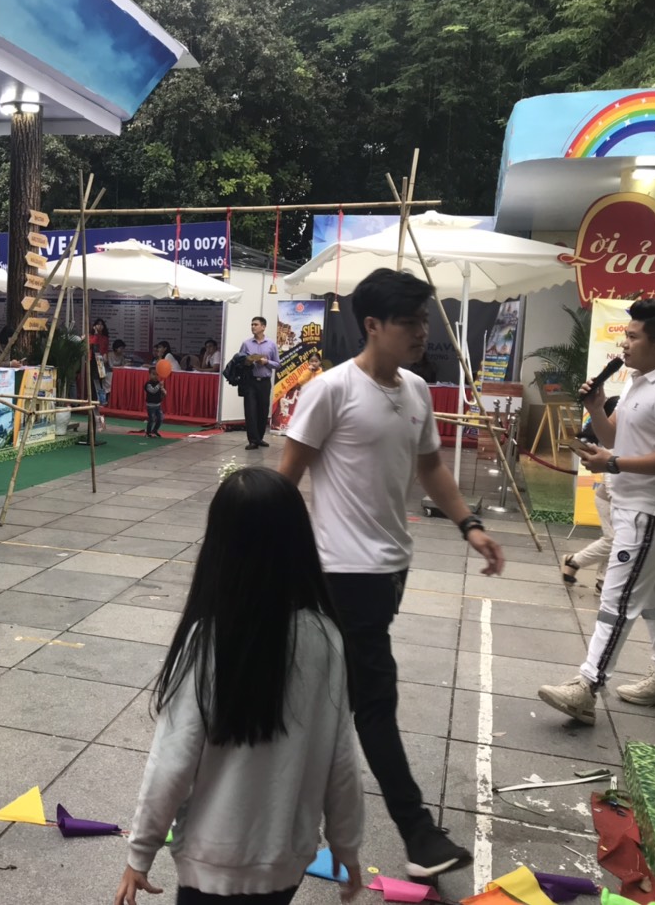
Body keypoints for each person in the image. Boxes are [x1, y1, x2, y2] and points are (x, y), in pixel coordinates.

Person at [279, 268, 504, 879]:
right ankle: (418, 835)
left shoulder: (417, 390)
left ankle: (263, 802)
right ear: (372, 325)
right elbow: (285, 479)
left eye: (424, 320)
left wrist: (469, 525)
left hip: (391, 569)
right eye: (409, 322)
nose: (422, 331)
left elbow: (431, 468)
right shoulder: (330, 391)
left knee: (327, 694)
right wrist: (261, 556)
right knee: (375, 699)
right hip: (342, 572)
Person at [116, 467, 363, 905]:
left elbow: (171, 762)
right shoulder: (325, 638)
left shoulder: (207, 639)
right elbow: (341, 758)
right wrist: (346, 844)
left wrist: (140, 853)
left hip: (210, 861)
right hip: (285, 861)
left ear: (219, 548)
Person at [539, 299, 655, 725]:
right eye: (626, 336)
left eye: (633, 337)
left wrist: (613, 463)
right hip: (631, 503)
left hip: (650, 510)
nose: (624, 344)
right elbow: (618, 439)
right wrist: (596, 407)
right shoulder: (638, 381)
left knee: (620, 596)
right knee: (654, 595)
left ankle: (587, 686)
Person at [560, 396, 621, 594]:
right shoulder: (611, 441)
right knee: (614, 540)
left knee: (614, 540)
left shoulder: (618, 439)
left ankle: (603, 581)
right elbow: (611, 481)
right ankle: (574, 561)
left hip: (612, 499)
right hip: (610, 499)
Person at [239, 317, 279, 450]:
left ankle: (259, 438)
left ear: (263, 327)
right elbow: (239, 361)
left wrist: (266, 362)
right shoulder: (246, 344)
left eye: (255, 324)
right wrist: (248, 361)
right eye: (252, 324)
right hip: (250, 381)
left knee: (263, 410)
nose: (253, 327)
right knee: (250, 411)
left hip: (264, 382)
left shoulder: (271, 344)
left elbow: (278, 364)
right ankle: (252, 440)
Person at [145, 367, 166, 438]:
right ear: (149, 375)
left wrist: (163, 391)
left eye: (157, 374)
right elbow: (153, 391)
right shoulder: (148, 384)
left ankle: (155, 430)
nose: (155, 376)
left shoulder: (158, 383)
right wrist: (159, 385)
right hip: (150, 406)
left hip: (158, 405)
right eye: (153, 374)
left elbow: (163, 393)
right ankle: (148, 432)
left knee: (160, 418)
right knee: (151, 419)